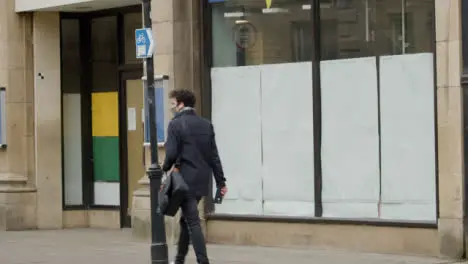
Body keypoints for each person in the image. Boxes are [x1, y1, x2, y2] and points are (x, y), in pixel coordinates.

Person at [162, 89, 227, 264]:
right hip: (201, 180)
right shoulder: (206, 124)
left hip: (183, 180)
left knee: (192, 220)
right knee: (186, 219)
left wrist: (164, 168)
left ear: (181, 104)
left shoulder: (175, 124)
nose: (172, 107)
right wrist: (221, 182)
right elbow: (214, 156)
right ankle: (179, 259)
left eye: (173, 103)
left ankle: (202, 260)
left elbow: (171, 153)